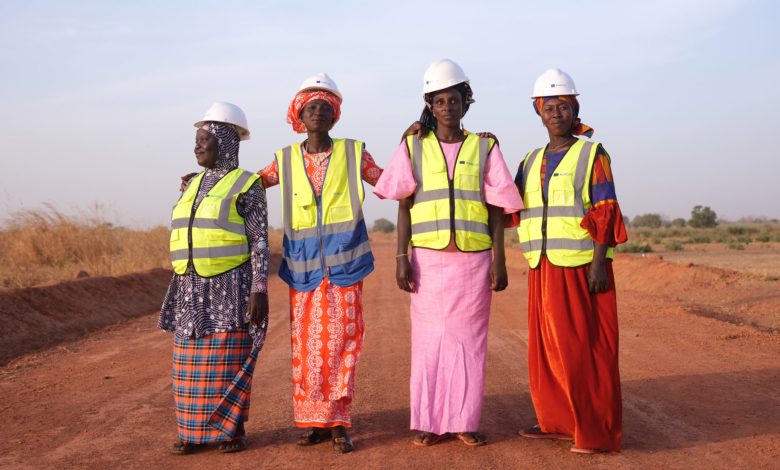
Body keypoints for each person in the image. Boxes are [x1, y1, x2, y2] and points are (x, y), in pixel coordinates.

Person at [374, 59, 523, 447]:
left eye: (453, 99)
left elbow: (497, 207)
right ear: (430, 105)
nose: (447, 107)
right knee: (428, 343)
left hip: (473, 260)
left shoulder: (485, 145)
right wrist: (400, 257)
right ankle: (427, 422)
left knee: (469, 343)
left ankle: (464, 422)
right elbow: (403, 204)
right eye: (439, 101)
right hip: (427, 260)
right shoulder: (413, 145)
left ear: (465, 101)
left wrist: (500, 259)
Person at [258, 73, 383, 454]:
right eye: (311, 107)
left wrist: (417, 141)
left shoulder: (353, 152)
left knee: (343, 344)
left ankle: (339, 422)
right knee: (308, 349)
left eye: (325, 107)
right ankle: (313, 420)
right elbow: (250, 185)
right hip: (304, 269)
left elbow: (390, 180)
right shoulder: (285, 159)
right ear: (299, 114)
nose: (318, 112)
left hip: (346, 269)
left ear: (335, 115)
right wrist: (206, 180)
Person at [514, 69, 626, 453]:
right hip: (541, 267)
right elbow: (507, 202)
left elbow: (605, 209)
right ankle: (558, 421)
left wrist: (600, 262)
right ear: (538, 113)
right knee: (547, 349)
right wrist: (484, 148)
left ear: (574, 108)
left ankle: (595, 433)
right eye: (549, 107)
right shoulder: (530, 160)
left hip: (580, 267)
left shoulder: (592, 153)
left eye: (563, 106)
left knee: (584, 350)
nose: (556, 113)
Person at [159, 102, 269, 454]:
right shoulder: (189, 184)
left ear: (225, 142)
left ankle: (231, 429)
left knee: (227, 360)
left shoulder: (247, 184)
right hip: (190, 288)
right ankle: (191, 432)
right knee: (187, 362)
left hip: (229, 288)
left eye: (204, 139)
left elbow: (260, 241)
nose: (197, 146)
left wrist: (259, 289)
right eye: (196, 139)